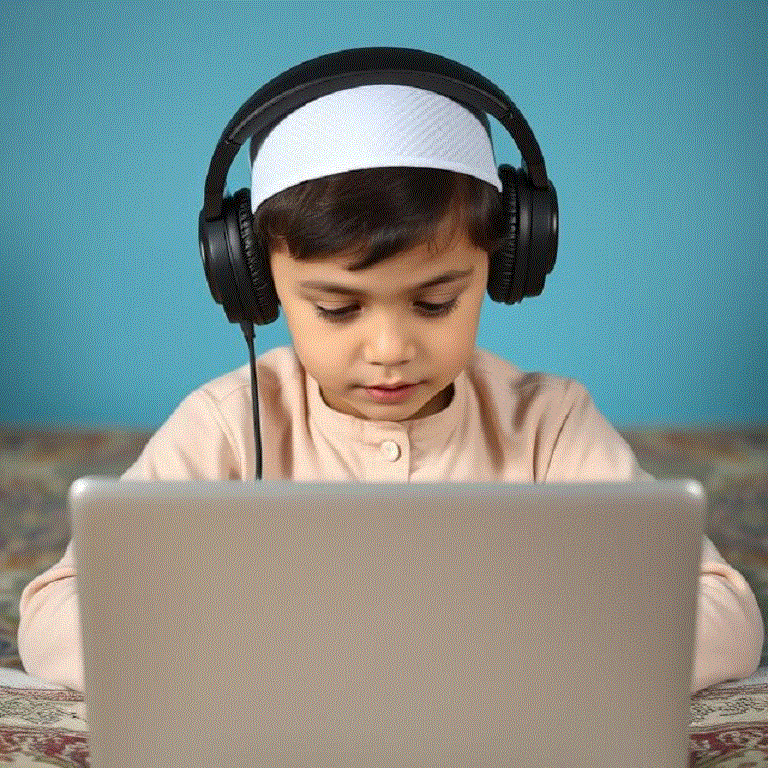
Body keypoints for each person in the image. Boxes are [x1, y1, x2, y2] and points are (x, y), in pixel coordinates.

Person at [18, 50, 763, 694]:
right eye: (339, 309)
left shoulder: (548, 426)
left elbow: (726, 614)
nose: (389, 349)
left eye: (436, 301)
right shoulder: (225, 425)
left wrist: (505, 661)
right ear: (256, 279)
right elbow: (54, 616)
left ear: (503, 268)